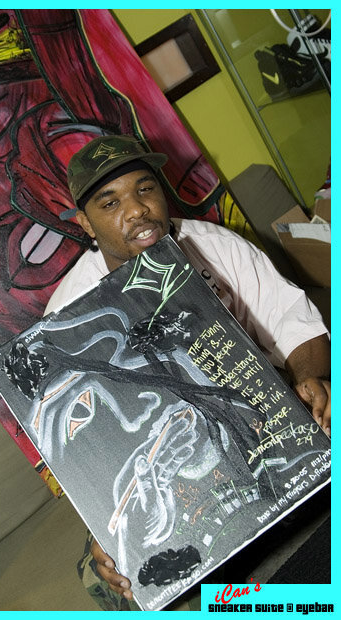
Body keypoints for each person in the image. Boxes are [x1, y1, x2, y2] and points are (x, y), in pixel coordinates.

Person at [44, 134, 331, 610]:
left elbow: (292, 320)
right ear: (86, 224)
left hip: (269, 412)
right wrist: (103, 528)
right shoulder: (68, 312)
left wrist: (314, 379)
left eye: (145, 189)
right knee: (113, 581)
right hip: (173, 466)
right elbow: (86, 450)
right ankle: (280, 599)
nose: (137, 210)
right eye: (110, 202)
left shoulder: (213, 243)